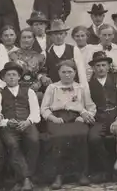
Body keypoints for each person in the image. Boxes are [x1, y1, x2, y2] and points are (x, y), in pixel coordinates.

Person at [40, 60, 96, 189]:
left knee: (80, 134)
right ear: (58, 73)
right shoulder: (52, 88)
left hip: (77, 117)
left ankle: (81, 173)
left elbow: (91, 107)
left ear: (75, 73)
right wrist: (52, 118)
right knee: (59, 137)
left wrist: (84, 116)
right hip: (57, 117)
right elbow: (44, 108)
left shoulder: (81, 88)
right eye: (63, 72)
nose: (67, 75)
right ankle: (59, 174)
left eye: (70, 72)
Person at [0, 62, 41, 191]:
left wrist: (28, 122)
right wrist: (6, 122)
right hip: (9, 127)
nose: (11, 77)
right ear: (4, 78)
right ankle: (26, 180)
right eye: (8, 75)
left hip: (27, 124)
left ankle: (23, 179)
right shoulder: (0, 95)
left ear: (19, 77)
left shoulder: (29, 91)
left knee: (33, 141)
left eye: (14, 75)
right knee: (12, 144)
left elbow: (36, 112)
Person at [87, 51, 117, 182]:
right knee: (94, 138)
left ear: (108, 66)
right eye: (97, 65)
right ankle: (107, 170)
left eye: (103, 65)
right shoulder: (88, 83)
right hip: (99, 118)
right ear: (93, 68)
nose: (100, 68)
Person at [44, 20, 88, 90]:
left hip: (72, 89)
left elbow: (81, 72)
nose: (58, 37)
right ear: (51, 36)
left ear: (65, 34)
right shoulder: (46, 52)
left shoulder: (74, 49)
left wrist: (84, 90)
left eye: (61, 34)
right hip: (54, 90)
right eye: (55, 34)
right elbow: (44, 72)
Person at [8, 28, 48, 100]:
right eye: (24, 37)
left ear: (33, 40)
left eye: (29, 37)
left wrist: (38, 83)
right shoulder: (12, 55)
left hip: (34, 89)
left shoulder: (40, 56)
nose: (26, 40)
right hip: (16, 89)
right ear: (20, 39)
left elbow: (42, 72)